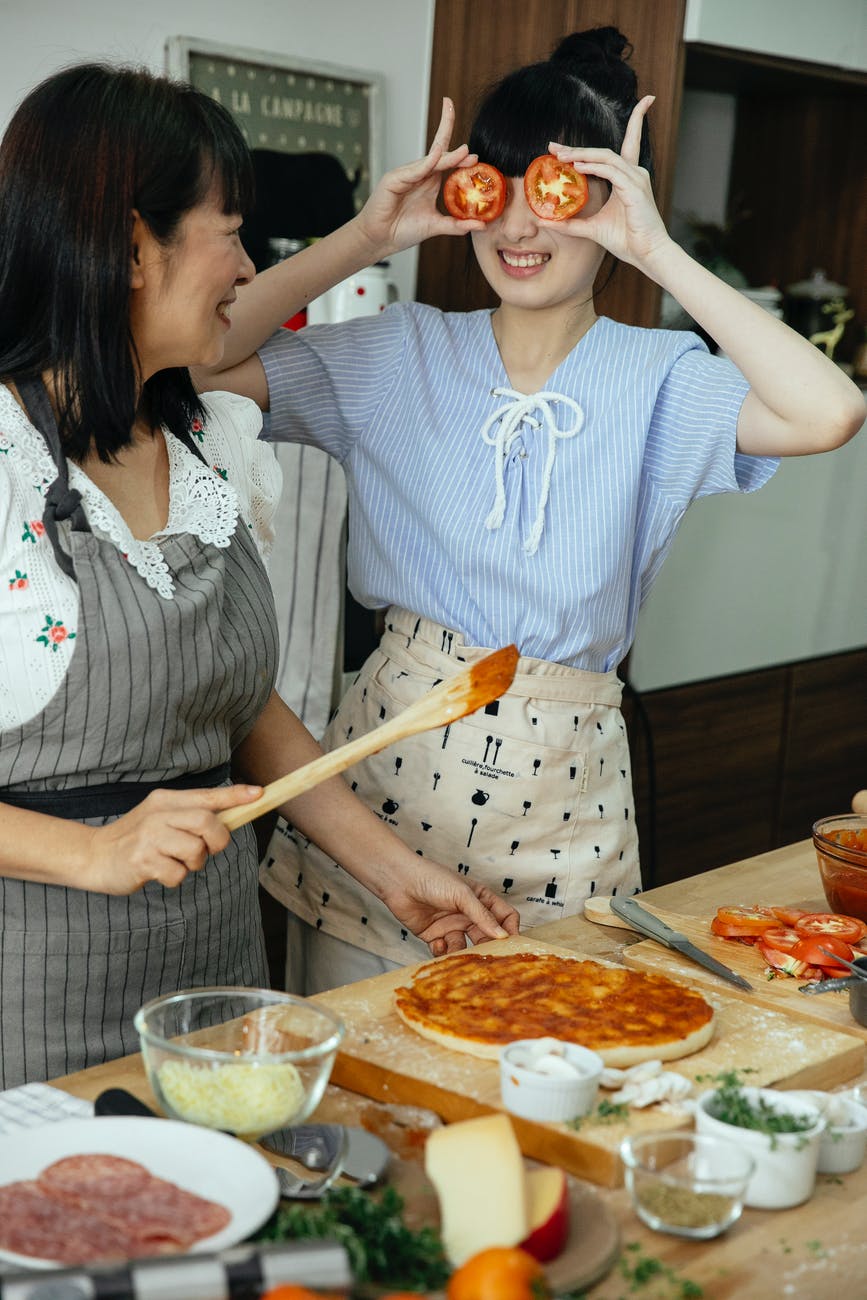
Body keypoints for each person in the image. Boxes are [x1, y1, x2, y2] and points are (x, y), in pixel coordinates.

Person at [202, 28, 865, 994]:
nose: (517, 227)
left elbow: (831, 410)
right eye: (490, 190)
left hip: (565, 786)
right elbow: (198, 361)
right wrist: (367, 237)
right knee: (353, 1087)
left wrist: (658, 250)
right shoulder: (398, 349)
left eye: (552, 193)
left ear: (605, 198)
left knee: (540, 1064)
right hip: (385, 772)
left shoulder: (663, 377)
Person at [0, 62, 518, 1089]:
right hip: (37, 1017)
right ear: (128, 245)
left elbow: (239, 712)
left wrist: (392, 875)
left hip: (221, 987)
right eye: (229, 229)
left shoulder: (200, 439)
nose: (247, 264)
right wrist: (94, 854)